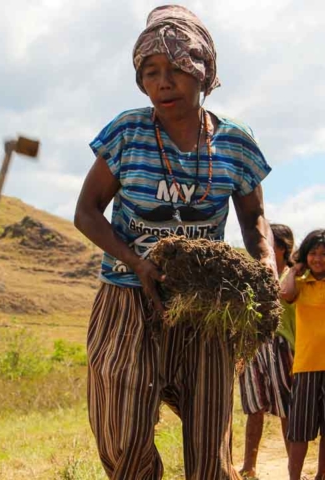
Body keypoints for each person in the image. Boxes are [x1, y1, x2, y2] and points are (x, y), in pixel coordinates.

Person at [73, 5, 276, 479]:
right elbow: (86, 212)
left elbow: (255, 218)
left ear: (205, 73)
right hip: (128, 297)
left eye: (178, 70)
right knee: (121, 433)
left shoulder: (235, 143)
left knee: (209, 443)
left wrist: (264, 260)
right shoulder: (127, 133)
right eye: (151, 73)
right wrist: (135, 261)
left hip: (204, 304)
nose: (163, 83)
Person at [239, 223, 295, 479]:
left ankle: (292, 467)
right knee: (254, 407)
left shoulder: (293, 276)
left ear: (282, 248)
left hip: (283, 347)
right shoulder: (253, 275)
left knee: (286, 408)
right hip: (254, 345)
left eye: (270, 243)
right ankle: (249, 467)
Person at [281, 229, 325, 480]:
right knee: (299, 429)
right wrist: (294, 269)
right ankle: (294, 478)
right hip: (306, 364)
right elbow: (284, 295)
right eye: (314, 254)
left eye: (324, 254)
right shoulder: (299, 283)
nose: (318, 259)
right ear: (305, 256)